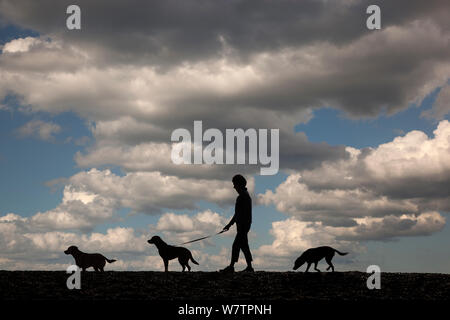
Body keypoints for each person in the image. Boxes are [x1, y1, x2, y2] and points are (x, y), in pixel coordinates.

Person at [220, 174, 254, 272]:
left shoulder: (242, 197)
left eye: (235, 184)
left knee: (236, 245)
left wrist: (229, 225)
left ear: (239, 184)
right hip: (245, 225)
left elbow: (237, 214)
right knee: (244, 245)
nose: (234, 187)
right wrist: (230, 225)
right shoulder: (245, 196)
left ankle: (231, 266)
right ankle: (249, 267)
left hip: (243, 226)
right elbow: (238, 214)